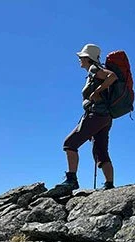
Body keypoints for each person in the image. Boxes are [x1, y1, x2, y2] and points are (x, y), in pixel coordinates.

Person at [49, 43, 118, 196]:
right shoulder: (92, 72)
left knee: (69, 143)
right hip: (105, 117)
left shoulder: (94, 69)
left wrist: (97, 92)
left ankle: (72, 179)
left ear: (88, 58)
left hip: (96, 115)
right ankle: (109, 184)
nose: (79, 59)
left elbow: (112, 76)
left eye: (81, 57)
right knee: (101, 150)